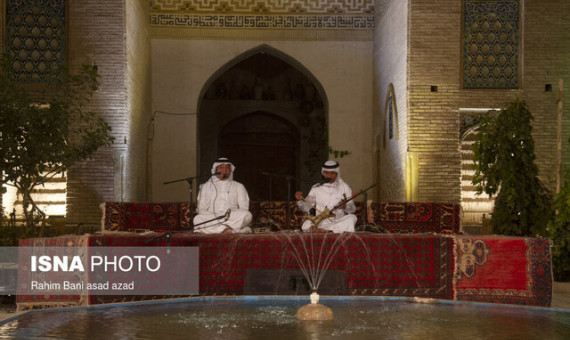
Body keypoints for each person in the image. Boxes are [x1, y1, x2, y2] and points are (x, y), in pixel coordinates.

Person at [294, 160, 357, 233]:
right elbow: (305, 208)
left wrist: (345, 206)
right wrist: (299, 200)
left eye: (332, 173)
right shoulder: (316, 188)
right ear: (323, 173)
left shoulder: (345, 187)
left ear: (337, 173)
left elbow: (352, 210)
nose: (329, 176)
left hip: (337, 222)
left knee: (352, 218)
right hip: (320, 223)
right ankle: (328, 230)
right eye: (327, 173)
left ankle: (326, 230)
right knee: (306, 224)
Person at [193, 158, 253, 234]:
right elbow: (201, 209)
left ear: (231, 170)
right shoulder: (205, 186)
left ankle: (215, 229)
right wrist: (215, 217)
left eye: (227, 167)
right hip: (212, 216)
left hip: (231, 216)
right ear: (215, 170)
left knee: (248, 215)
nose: (225, 170)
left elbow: (244, 208)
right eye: (221, 167)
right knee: (197, 219)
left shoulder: (239, 186)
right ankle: (232, 230)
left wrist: (227, 216)